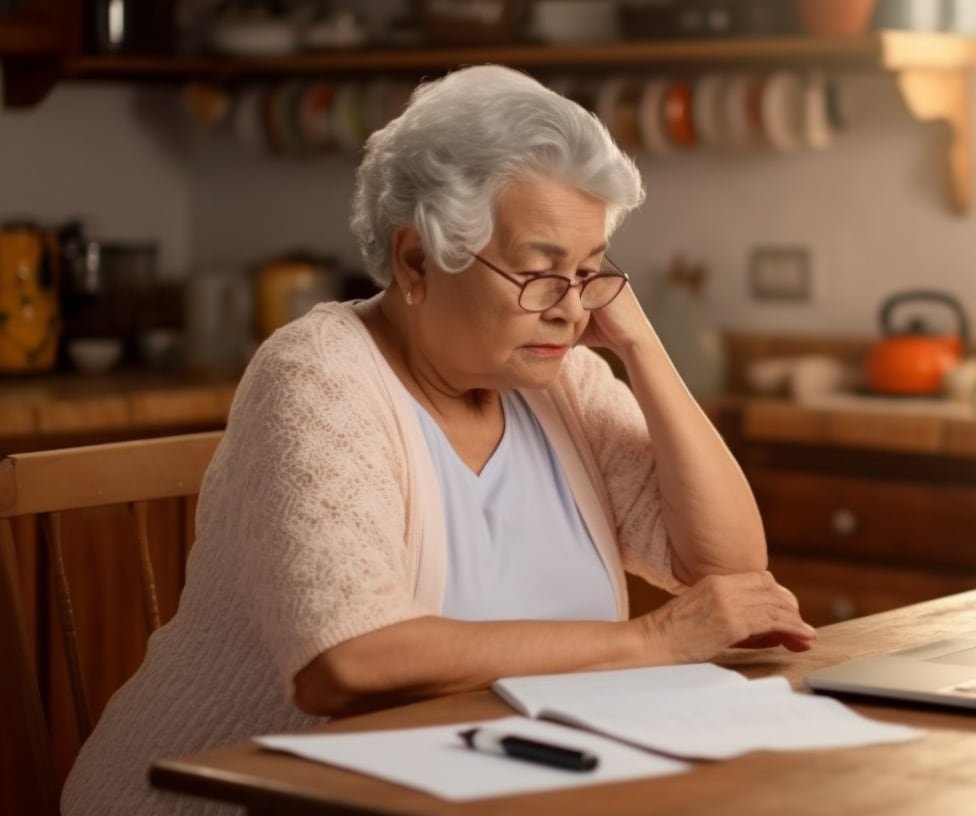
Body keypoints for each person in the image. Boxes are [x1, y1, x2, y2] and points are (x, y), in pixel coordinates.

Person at [62, 65, 815, 815]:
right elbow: (347, 663)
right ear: (418, 260)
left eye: (588, 272)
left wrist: (641, 346)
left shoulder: (563, 381)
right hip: (241, 801)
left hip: (492, 790)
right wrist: (654, 642)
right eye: (539, 271)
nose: (571, 309)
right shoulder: (318, 374)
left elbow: (726, 570)